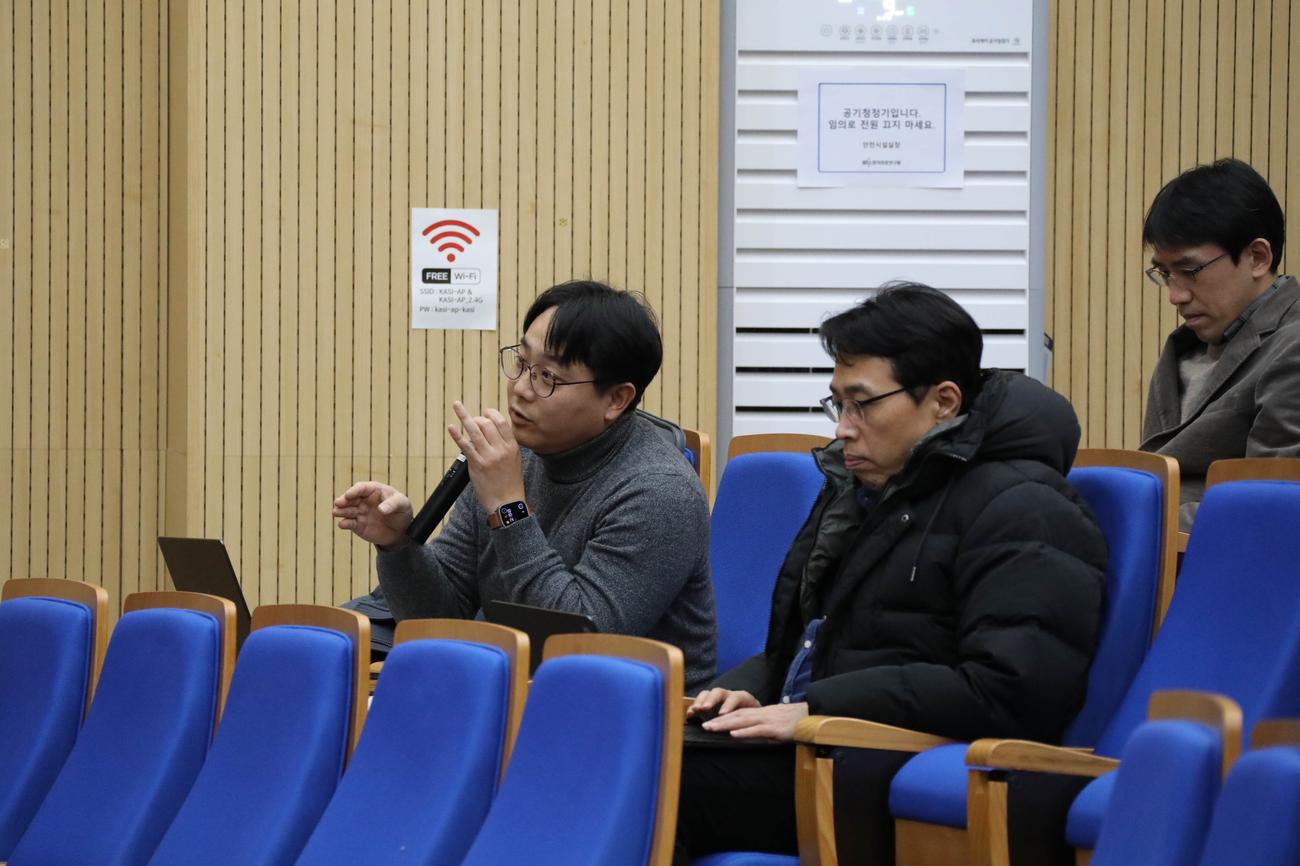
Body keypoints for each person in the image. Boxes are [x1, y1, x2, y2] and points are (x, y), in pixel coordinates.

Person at [674, 283, 1106, 860]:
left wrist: (816, 707)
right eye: (837, 404)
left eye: (863, 404)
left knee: (638, 783)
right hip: (818, 747)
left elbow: (1011, 688)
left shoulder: (1027, 508)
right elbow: (813, 641)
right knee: (610, 749)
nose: (842, 428)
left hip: (879, 765)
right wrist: (747, 689)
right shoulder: (865, 490)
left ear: (944, 401)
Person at [332, 280, 717, 690]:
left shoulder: (661, 492)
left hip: (639, 713)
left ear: (616, 400)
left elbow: (577, 646)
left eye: (547, 376)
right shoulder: (518, 457)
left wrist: (508, 508)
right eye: (521, 362)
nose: (519, 388)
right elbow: (443, 620)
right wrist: (399, 546)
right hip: (511, 691)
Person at [1138, 158, 1300, 529]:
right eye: (1164, 273)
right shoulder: (1183, 349)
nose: (1175, 295)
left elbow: (1270, 508)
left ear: (1257, 257)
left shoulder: (1292, 348)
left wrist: (1127, 520)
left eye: (1190, 271)